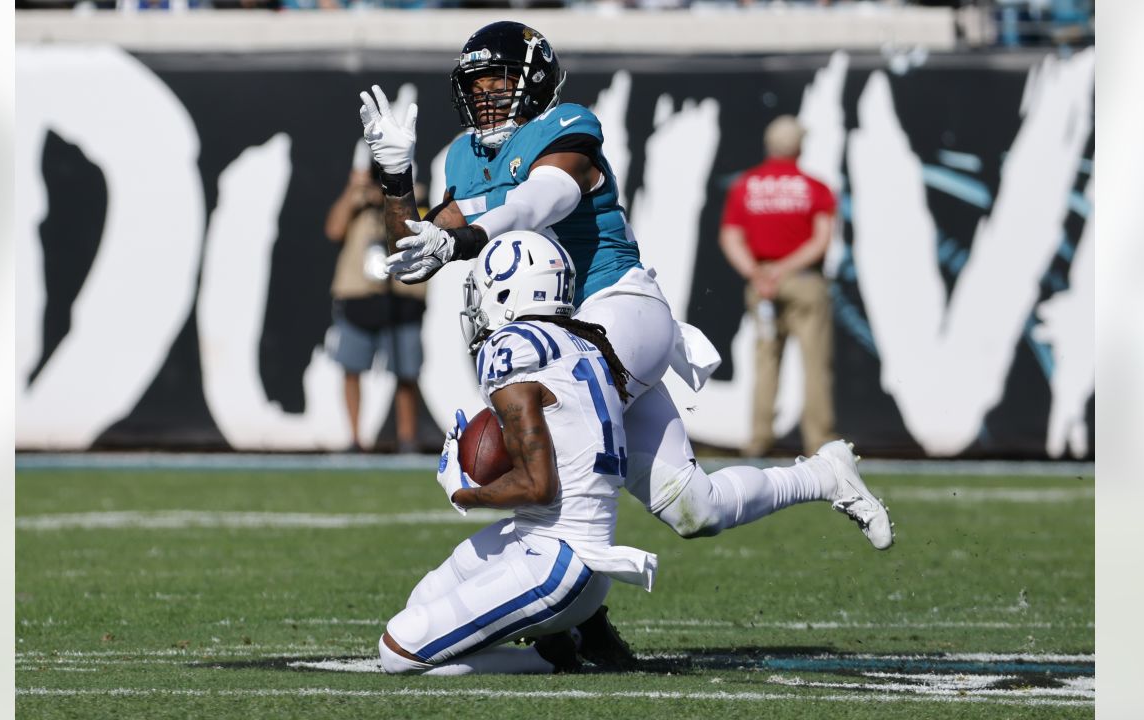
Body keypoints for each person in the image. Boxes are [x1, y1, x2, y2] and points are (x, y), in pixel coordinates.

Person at [359, 21, 892, 549]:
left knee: (550, 453)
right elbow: (412, 255)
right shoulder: (463, 156)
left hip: (616, 308)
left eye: (496, 82)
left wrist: (462, 237)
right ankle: (824, 475)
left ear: (534, 79)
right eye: (474, 87)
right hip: (565, 338)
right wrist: (396, 178)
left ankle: (578, 620)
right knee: (692, 507)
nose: (484, 97)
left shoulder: (567, 124)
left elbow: (542, 199)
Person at [378, 231, 650, 675]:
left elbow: (537, 485)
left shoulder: (513, 347)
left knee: (399, 652)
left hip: (560, 559)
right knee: (422, 603)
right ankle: (574, 633)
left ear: (510, 290)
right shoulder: (581, 340)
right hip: (554, 542)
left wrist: (463, 491)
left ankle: (548, 658)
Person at [719, 115, 838, 457]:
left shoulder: (746, 185)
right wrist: (784, 270)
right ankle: (820, 441)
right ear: (798, 146)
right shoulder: (815, 187)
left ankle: (759, 438)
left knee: (765, 361)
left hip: (763, 284)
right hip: (803, 281)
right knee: (815, 363)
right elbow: (821, 241)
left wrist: (758, 273)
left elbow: (731, 237)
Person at [324, 145, 426, 453]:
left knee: (406, 371)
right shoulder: (356, 199)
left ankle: (407, 438)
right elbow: (334, 229)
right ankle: (355, 438)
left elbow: (419, 230)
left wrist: (392, 197)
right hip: (359, 295)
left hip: (402, 297)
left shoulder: (416, 197)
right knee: (351, 367)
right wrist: (354, 190)